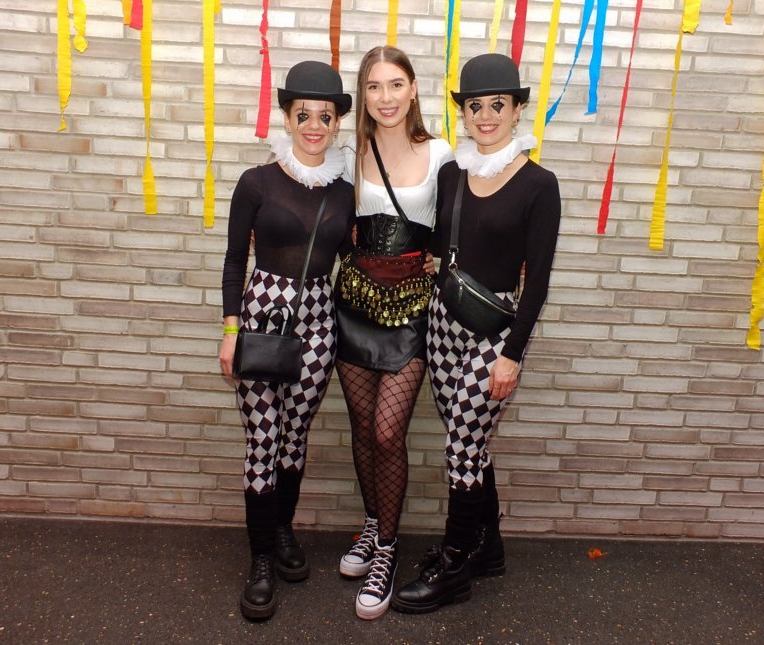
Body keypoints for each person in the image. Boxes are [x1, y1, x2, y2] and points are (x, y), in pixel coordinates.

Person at [392, 53, 561, 614]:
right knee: (471, 441)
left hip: (496, 332)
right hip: (444, 326)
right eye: (474, 106)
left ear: (516, 110)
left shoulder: (539, 184)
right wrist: (422, 259)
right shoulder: (452, 173)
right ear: (462, 112)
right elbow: (443, 242)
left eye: (497, 105)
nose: (485, 116)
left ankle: (455, 564)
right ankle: (489, 548)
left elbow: (537, 281)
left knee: (461, 445)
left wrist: (512, 355)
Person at [219, 60, 354, 622]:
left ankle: (281, 532)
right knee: (262, 442)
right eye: (304, 115)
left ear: (337, 122)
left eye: (325, 116)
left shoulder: (345, 192)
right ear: (287, 117)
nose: (314, 126)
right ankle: (260, 562)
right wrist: (230, 332)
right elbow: (234, 260)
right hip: (259, 321)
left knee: (294, 439)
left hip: (319, 325)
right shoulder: (257, 181)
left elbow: (358, 257)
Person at [334, 45, 454, 620]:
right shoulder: (347, 153)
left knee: (387, 434)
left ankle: (386, 547)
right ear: (364, 94)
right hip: (354, 304)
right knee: (362, 429)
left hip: (410, 309)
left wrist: (442, 259)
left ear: (413, 89)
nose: (386, 97)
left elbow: (459, 224)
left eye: (396, 84)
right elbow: (331, 222)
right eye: (374, 86)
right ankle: (372, 524)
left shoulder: (442, 153)